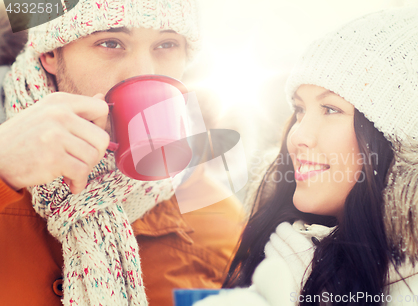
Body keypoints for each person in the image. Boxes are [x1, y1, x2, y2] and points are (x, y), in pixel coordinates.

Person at [195, 1, 418, 306]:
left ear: (401, 141)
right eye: (300, 110)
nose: (297, 136)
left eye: (331, 109)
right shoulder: (287, 254)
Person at [0, 1, 245, 305]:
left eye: (166, 44)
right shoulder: (5, 168)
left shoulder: (218, 222)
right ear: (51, 51)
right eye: (110, 43)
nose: (143, 72)